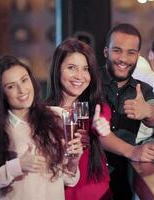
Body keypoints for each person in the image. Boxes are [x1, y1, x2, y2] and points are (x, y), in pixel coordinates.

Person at [0, 55, 82, 200]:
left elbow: (66, 179)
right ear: (1, 93)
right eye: (11, 86)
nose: (22, 90)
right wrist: (17, 166)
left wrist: (73, 163)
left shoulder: (55, 118)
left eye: (24, 80)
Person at [99, 23, 154, 200]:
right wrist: (133, 151)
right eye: (117, 50)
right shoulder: (89, 83)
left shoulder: (141, 89)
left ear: (137, 55)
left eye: (131, 52)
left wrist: (148, 111)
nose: (123, 59)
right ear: (106, 52)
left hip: (122, 182)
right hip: (86, 178)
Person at [46, 38, 112, 200]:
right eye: (71, 68)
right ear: (57, 69)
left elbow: (101, 122)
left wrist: (100, 126)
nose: (80, 76)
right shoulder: (43, 113)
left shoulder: (97, 108)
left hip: (96, 193)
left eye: (86, 69)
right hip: (59, 193)